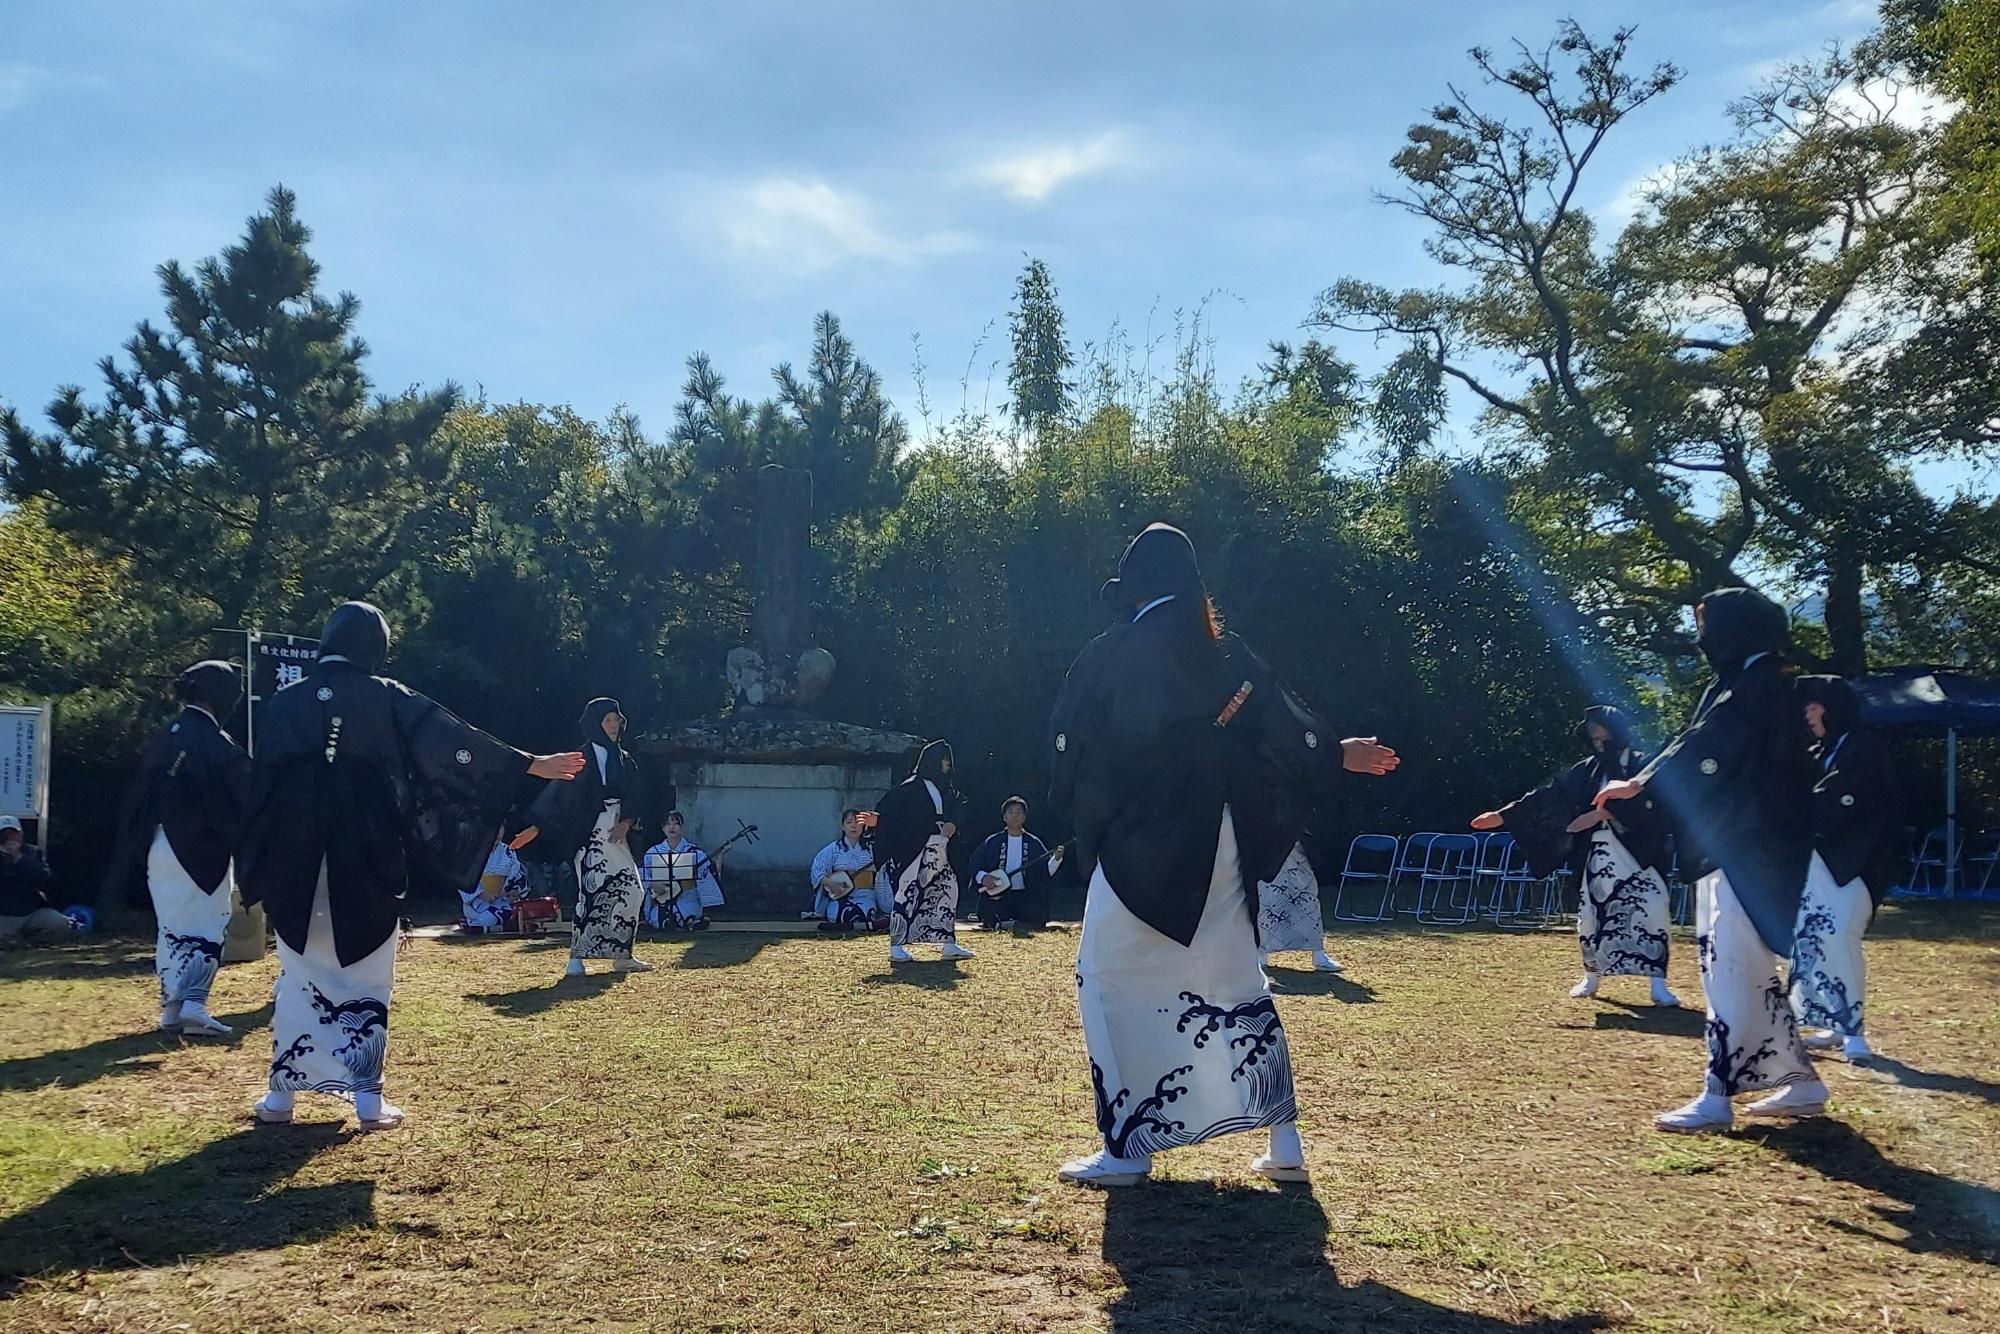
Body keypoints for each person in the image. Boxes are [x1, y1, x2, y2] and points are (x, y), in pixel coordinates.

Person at [1047, 522, 1399, 1186]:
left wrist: (1083, 817)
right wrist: (1338, 753)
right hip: (1224, 842)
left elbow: (1070, 747)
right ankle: (1285, 1143)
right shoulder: (1227, 652)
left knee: (1107, 978)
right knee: (1237, 981)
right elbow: (1286, 728)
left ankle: (1128, 1149)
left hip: (1141, 847)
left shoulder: (1111, 651)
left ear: (1135, 588)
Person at [238, 601, 584, 1131]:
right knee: (368, 974)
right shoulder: (387, 698)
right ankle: (367, 1101)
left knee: (300, 971)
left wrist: (256, 862)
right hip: (367, 850)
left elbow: (260, 788)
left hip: (296, 854)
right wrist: (530, 765)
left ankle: (282, 1098)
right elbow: (453, 745)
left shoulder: (286, 704)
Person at [1596, 588, 1822, 1133]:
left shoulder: (1758, 684)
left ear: (1734, 628)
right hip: (1748, 842)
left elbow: (1707, 750)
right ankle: (1800, 1081)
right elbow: (1696, 741)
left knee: (1728, 967)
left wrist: (1641, 784)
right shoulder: (1755, 680)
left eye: (1706, 623)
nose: (1701, 636)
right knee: (1743, 969)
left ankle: (1718, 1094)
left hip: (1744, 844)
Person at [1471, 706, 1680, 1007]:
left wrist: (1605, 812)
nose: (1597, 738)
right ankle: (1591, 977)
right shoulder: (1586, 770)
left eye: (1601, 731)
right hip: (1597, 854)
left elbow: (1656, 804)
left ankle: (1658, 984)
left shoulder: (1641, 766)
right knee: (1592, 915)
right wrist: (1505, 815)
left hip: (1639, 853)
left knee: (1651, 911)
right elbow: (1549, 795)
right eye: (1592, 733)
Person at [102, 660, 252, 1034]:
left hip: (157, 844)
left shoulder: (166, 735)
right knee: (206, 924)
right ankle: (195, 1005)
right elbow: (247, 793)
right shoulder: (214, 741)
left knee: (171, 927)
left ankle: (171, 1008)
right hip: (200, 849)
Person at [1791, 675, 1899, 1064]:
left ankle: (1854, 1031)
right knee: (1815, 938)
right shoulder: (1820, 751)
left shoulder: (1863, 747)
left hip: (1855, 863)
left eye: (1813, 706)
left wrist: (1799, 811)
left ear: (1833, 707)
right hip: (1820, 862)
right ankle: (1833, 1022)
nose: (1807, 714)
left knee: (1841, 938)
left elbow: (1846, 798)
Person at [516, 698, 654, 977]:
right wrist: (536, 828)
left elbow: (635, 795)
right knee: (591, 893)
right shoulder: (582, 759)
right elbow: (560, 797)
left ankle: (622, 954)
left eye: (616, 720)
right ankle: (576, 958)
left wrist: (626, 822)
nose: (613, 726)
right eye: (607, 721)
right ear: (595, 724)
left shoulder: (624, 759)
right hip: (589, 832)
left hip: (617, 831)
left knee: (631, 890)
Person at [876, 741, 976, 963]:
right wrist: (880, 822)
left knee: (947, 891)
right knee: (907, 893)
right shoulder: (911, 787)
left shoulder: (947, 790)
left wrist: (954, 824)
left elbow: (962, 806)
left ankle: (948, 942)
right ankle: (897, 944)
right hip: (915, 849)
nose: (948, 763)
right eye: (944, 759)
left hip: (942, 849)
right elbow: (892, 813)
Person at [967, 796, 1062, 930]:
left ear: (1024, 817)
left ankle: (1012, 924)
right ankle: (1002, 923)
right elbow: (976, 863)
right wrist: (984, 877)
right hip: (999, 895)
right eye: (1010, 812)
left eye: (1018, 812)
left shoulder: (1033, 842)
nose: (1014, 816)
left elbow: (1044, 872)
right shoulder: (993, 841)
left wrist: (1056, 859)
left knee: (1034, 917)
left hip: (1025, 895)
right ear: (1004, 817)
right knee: (992, 915)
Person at [1255, 843, 1343, 974]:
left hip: (1296, 844)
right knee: (1267, 900)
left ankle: (1318, 955)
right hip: (1267, 844)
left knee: (1308, 898)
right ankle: (1260, 955)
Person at [641, 810, 723, 930]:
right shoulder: (653, 852)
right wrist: (652, 883)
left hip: (687, 897)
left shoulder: (694, 852)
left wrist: (718, 862)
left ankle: (689, 921)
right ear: (663, 828)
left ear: (682, 827)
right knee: (656, 918)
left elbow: (708, 873)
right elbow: (642, 875)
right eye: (668, 824)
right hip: (663, 897)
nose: (672, 827)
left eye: (676, 823)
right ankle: (685, 923)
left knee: (685, 913)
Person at [808, 808, 884, 932]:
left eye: (858, 822)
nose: (853, 826)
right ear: (843, 826)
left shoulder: (873, 849)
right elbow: (818, 870)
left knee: (863, 914)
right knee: (836, 915)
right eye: (849, 823)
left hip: (865, 894)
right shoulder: (832, 850)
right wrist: (830, 883)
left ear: (864, 825)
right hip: (840, 895)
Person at [0, 818, 70, 946]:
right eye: (4, 834)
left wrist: (18, 857)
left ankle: (29, 943)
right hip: (4, 915)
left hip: (31, 912)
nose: (9, 838)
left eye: (13, 833)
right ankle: (10, 942)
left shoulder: (33, 853)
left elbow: (44, 878)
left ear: (21, 834)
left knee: (60, 924)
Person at [461, 834, 529, 932]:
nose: (496, 832)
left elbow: (517, 874)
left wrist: (515, 890)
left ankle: (480, 926)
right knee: (483, 915)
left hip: (501, 899)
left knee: (513, 911)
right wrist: (482, 893)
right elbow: (464, 878)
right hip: (478, 901)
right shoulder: (472, 850)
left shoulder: (508, 851)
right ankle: (481, 925)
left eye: (500, 827)